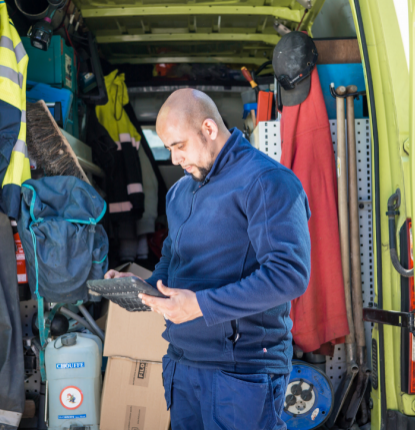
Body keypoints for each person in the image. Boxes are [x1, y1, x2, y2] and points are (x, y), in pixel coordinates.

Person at [104, 89, 311, 430]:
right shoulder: (180, 192)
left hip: (241, 371)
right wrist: (143, 288)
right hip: (183, 362)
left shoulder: (266, 182)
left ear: (209, 129)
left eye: (179, 146)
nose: (174, 159)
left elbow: (288, 275)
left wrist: (199, 305)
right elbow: (173, 255)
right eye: (168, 148)